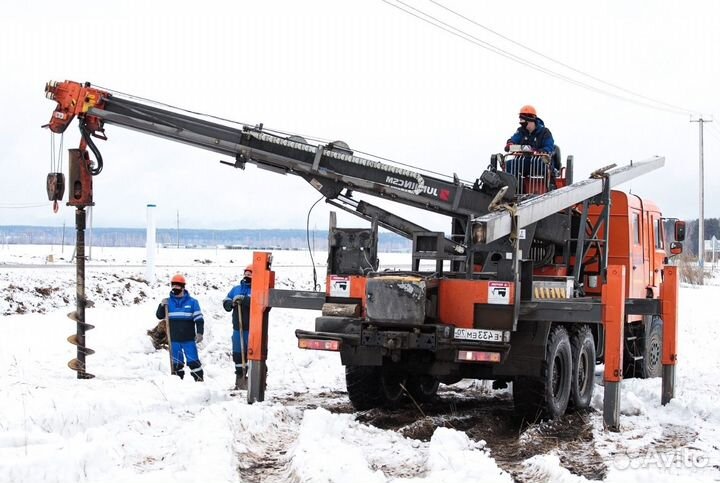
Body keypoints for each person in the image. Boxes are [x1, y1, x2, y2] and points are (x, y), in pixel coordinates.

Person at [156, 273, 205, 381]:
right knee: (176, 365)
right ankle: (178, 386)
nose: (175, 288)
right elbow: (159, 316)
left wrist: (200, 333)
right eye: (173, 285)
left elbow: (199, 319)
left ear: (183, 287)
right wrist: (161, 305)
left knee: (194, 362)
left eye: (177, 285)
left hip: (188, 339)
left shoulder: (193, 302)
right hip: (173, 339)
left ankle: (200, 383)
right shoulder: (167, 303)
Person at [222, 264, 253, 390]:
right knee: (238, 355)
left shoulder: (257, 289)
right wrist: (231, 303)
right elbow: (225, 302)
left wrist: (245, 300)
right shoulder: (235, 289)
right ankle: (240, 380)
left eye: (250, 274)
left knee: (253, 354)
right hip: (238, 328)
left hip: (253, 329)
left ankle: (255, 380)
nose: (247, 276)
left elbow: (259, 303)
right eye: (246, 273)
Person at [504, 105, 556, 175]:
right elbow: (514, 139)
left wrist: (537, 151)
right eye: (520, 120)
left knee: (540, 164)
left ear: (530, 119)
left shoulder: (545, 132)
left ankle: (543, 185)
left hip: (539, 161)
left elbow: (549, 147)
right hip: (524, 161)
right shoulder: (521, 131)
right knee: (509, 165)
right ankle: (515, 185)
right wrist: (510, 144)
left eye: (522, 120)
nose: (521, 123)